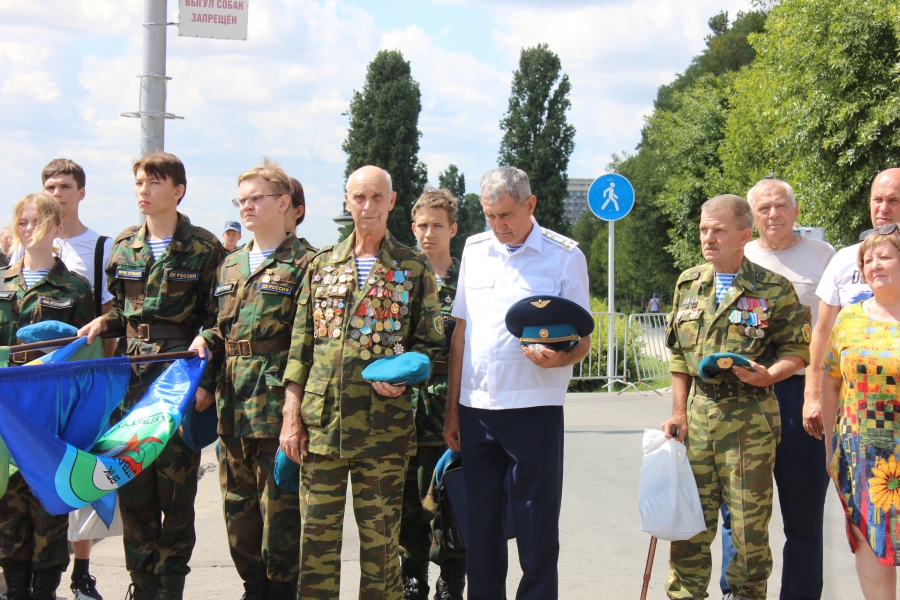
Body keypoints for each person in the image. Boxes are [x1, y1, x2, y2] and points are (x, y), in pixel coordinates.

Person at [280, 165, 444, 599]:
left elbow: (429, 345)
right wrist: (291, 417)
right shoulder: (321, 265)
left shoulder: (412, 266)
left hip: (383, 429)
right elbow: (300, 349)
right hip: (322, 427)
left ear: (392, 202)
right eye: (359, 197)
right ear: (347, 201)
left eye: (376, 197)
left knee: (382, 547)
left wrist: (406, 379)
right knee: (316, 544)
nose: (368, 206)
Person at [78, 152, 224, 600]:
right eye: (139, 182)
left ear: (178, 190)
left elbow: (220, 321)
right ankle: (142, 586)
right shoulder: (125, 245)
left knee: (176, 495)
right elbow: (124, 313)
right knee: (134, 490)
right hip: (132, 383)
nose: (143, 190)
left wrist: (206, 383)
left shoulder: (204, 247)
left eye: (154, 182)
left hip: (178, 379)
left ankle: (170, 587)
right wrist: (104, 323)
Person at [443, 167, 590, 600]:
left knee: (535, 527)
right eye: (489, 215)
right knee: (482, 530)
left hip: (533, 407)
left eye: (506, 215)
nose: (498, 225)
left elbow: (582, 340)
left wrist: (560, 357)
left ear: (530, 204)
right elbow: (462, 332)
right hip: (476, 408)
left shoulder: (564, 256)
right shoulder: (475, 250)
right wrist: (452, 410)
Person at [662, 194, 811, 600]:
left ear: (745, 236)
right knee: (689, 521)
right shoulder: (688, 283)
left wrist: (770, 376)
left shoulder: (773, 288)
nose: (708, 238)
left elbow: (797, 350)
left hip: (750, 418)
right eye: (703, 230)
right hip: (698, 417)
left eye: (718, 230)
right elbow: (678, 355)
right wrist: (678, 412)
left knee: (748, 528)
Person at [189, 160, 315, 600]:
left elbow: (310, 341)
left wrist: (296, 411)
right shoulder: (230, 265)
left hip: (278, 403)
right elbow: (220, 327)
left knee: (280, 509)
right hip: (232, 404)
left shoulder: (308, 264)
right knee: (238, 509)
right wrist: (204, 346)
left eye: (256, 198)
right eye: (240, 200)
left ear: (283, 204)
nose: (246, 206)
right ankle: (253, 587)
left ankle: (281, 589)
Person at [710, 179, 835, 600]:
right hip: (745, 396)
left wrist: (820, 395)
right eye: (763, 208)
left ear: (796, 211)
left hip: (802, 395)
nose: (773, 214)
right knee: (740, 513)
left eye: (781, 205)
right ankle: (739, 593)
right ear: (751, 219)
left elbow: (835, 329)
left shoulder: (824, 256)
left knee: (804, 517)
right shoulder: (738, 255)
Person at [0, 193, 96, 600]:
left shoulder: (75, 288)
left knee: (48, 503)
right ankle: (14, 588)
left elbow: (87, 359)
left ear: (57, 228)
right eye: (22, 221)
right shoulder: (2, 282)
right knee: (8, 506)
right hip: (6, 414)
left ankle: (45, 589)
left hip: (51, 416)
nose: (28, 229)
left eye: (37, 221)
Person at [822, 224, 900, 598]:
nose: (874, 265)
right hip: (861, 454)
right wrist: (830, 449)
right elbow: (830, 382)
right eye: (867, 260)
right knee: (870, 541)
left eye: (884, 256)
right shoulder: (848, 318)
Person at [400, 188, 466, 600]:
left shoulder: (468, 283)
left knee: (450, 497)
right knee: (407, 497)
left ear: (453, 229)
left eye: (437, 225)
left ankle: (451, 580)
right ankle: (412, 577)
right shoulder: (401, 279)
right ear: (413, 228)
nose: (429, 233)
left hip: (449, 403)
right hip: (405, 403)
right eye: (422, 225)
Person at [806, 168, 900, 444]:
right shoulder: (844, 259)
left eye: (894, 200)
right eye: (877, 200)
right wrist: (812, 395)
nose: (883, 208)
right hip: (856, 416)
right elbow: (822, 331)